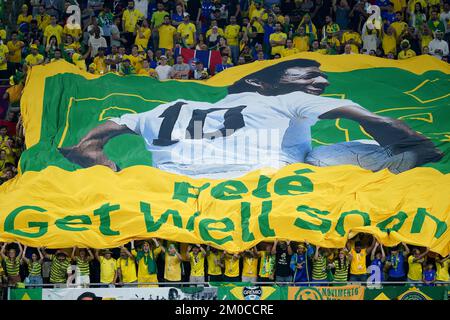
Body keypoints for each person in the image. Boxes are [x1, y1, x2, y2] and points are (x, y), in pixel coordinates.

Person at [59, 59, 443, 180]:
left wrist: (106, 164)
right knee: (321, 157)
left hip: (182, 180)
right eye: (309, 76)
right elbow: (361, 116)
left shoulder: (167, 110)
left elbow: (98, 136)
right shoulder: (285, 100)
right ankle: (399, 162)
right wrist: (415, 146)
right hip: (267, 175)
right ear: (261, 83)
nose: (321, 81)